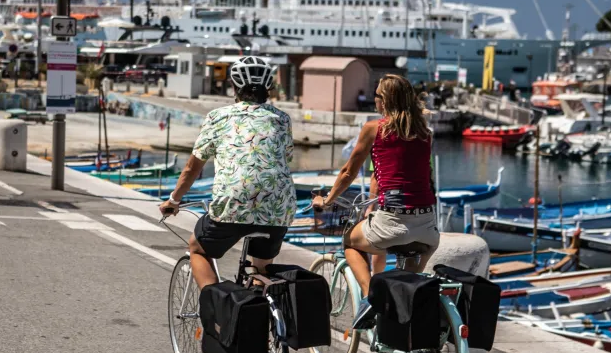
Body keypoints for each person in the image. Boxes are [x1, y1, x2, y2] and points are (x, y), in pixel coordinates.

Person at [312, 74, 439, 329]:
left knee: (350, 242)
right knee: (407, 288)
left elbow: (348, 172)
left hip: (393, 222)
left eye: (377, 96)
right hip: (428, 229)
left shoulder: (374, 128)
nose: (375, 100)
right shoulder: (425, 131)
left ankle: (372, 297)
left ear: (386, 100)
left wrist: (327, 200)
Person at [159, 56, 297, 289]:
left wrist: (174, 200)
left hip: (234, 204)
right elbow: (285, 158)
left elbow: (193, 167)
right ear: (269, 88)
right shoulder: (282, 119)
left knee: (197, 248)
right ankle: (261, 309)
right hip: (278, 208)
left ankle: (216, 314)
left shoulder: (218, 117)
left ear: (234, 87)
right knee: (261, 269)